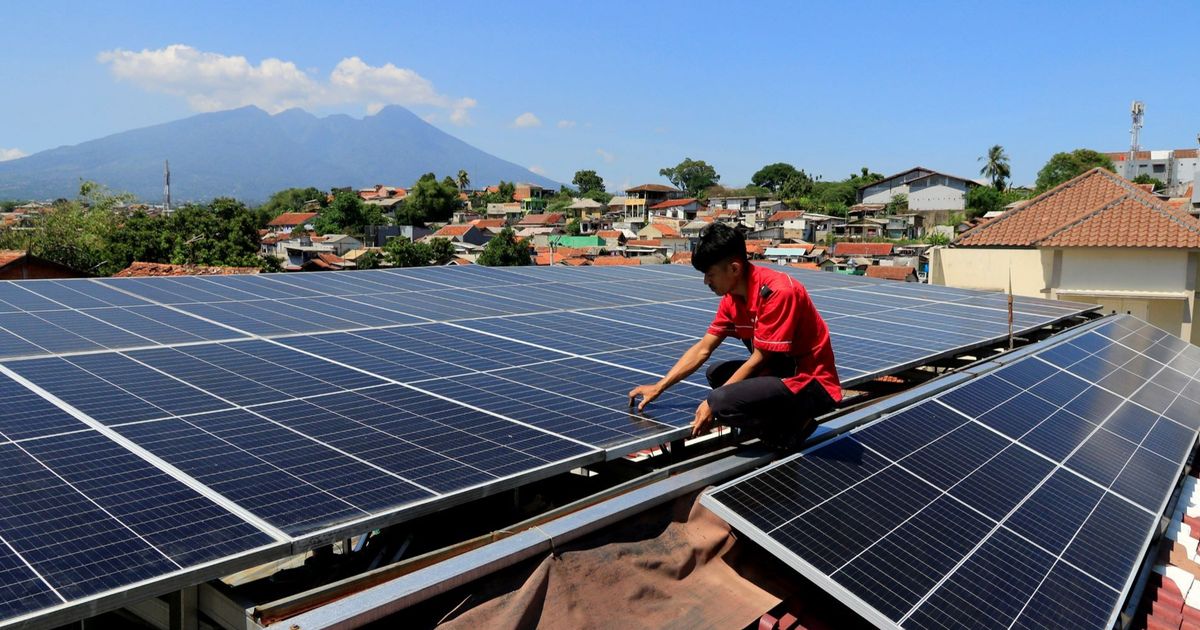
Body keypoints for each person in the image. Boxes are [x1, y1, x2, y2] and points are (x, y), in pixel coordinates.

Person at [628, 223, 841, 448]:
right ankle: (780, 426)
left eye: (710, 274)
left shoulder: (778, 292)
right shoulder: (732, 298)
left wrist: (712, 404)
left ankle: (791, 427)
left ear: (734, 269)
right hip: (780, 375)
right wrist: (659, 386)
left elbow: (760, 359)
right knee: (716, 374)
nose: (706, 282)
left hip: (811, 383)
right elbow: (703, 349)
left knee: (720, 401)